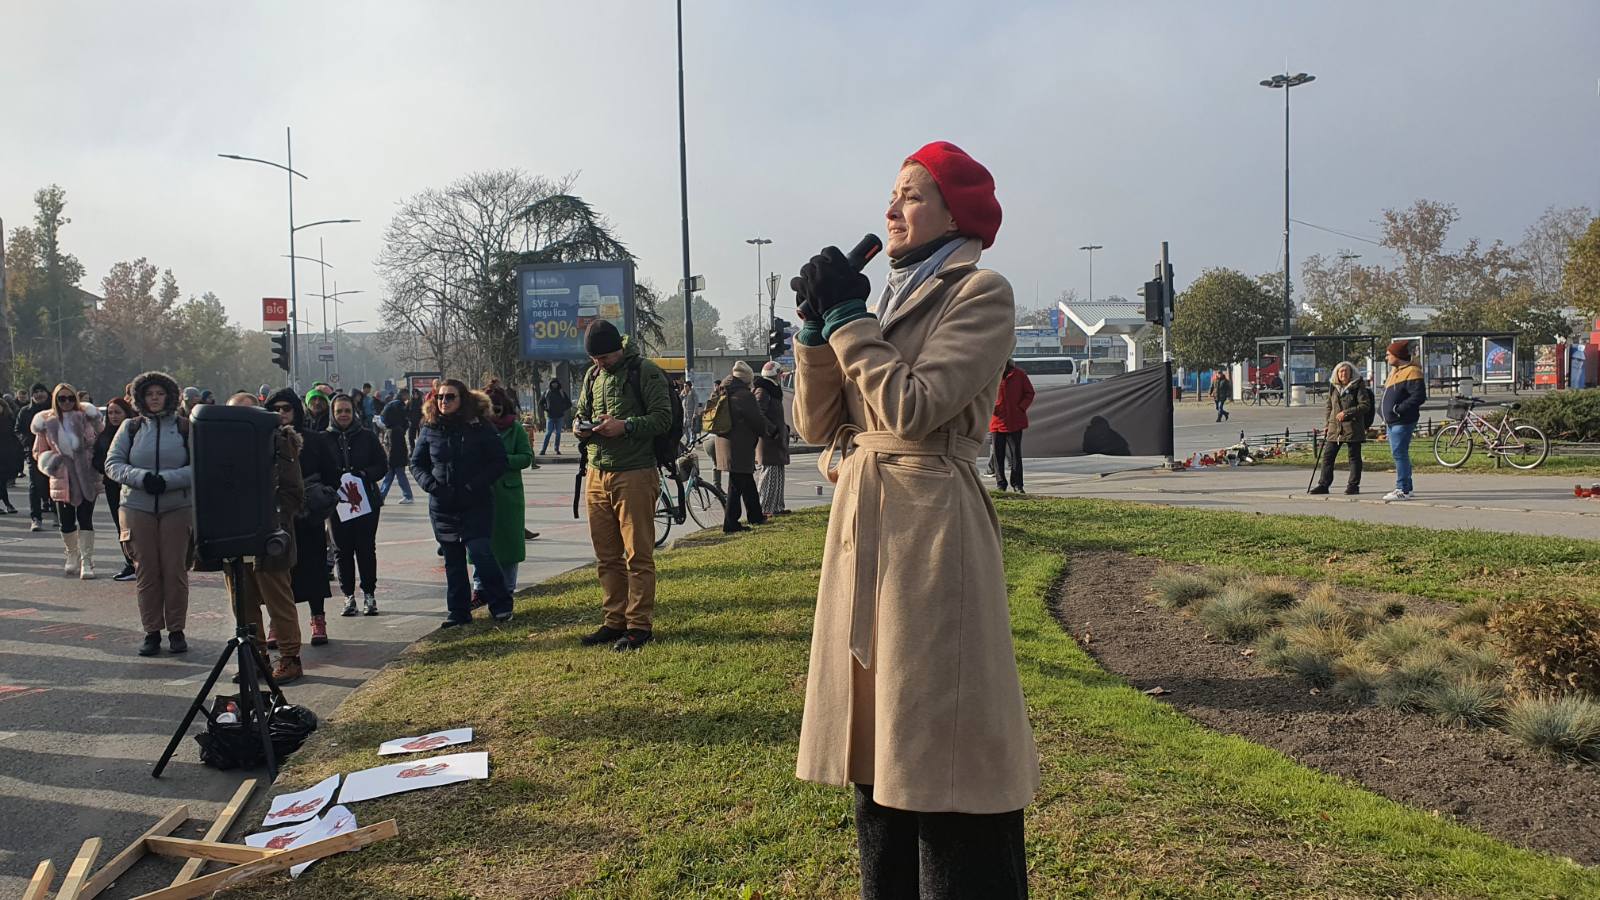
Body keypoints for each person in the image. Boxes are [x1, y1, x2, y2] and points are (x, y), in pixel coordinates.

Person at [790, 141, 1037, 896]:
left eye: (912, 195)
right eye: (891, 195)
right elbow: (813, 422)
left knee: (942, 740)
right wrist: (813, 333)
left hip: (932, 534)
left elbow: (914, 407)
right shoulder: (885, 302)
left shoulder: (980, 292)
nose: (892, 209)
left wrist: (845, 318)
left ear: (954, 212)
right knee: (877, 744)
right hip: (866, 525)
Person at [573, 319, 673, 652]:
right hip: (597, 473)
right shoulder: (592, 376)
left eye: (605, 358)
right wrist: (581, 428)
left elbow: (663, 418)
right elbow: (580, 412)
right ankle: (614, 620)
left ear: (619, 348)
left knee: (638, 555)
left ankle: (639, 625)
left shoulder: (644, 371)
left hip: (635, 473)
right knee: (606, 556)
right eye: (594, 359)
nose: (599, 364)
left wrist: (626, 426)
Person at [410, 379, 514, 626]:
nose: (444, 402)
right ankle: (458, 612)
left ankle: (501, 604)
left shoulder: (480, 427)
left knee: (481, 552)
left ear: (462, 399)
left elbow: (498, 462)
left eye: (450, 397)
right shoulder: (430, 427)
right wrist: (432, 486)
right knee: (453, 560)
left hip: (475, 502)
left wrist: (473, 485)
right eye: (440, 397)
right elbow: (416, 463)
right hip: (442, 505)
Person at [106, 371, 195, 657]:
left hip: (177, 507)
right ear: (141, 398)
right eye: (149, 394)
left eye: (160, 394)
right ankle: (152, 631)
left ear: (169, 396)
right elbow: (112, 463)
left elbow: (200, 466)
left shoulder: (184, 427)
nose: (155, 399)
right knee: (146, 571)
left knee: (175, 570)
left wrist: (168, 480)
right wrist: (141, 477)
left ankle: (177, 630)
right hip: (136, 506)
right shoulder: (130, 428)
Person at [223, 392, 306, 683]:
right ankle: (255, 659)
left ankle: (289, 657)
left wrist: (273, 521)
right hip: (232, 534)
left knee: (278, 600)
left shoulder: (279, 441)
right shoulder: (217, 445)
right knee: (242, 602)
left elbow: (294, 491)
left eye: (248, 411)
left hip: (269, 534)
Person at [269, 388, 340, 646]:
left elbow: (332, 474)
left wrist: (319, 499)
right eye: (275, 409)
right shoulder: (264, 440)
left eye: (286, 408)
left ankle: (318, 619)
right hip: (276, 517)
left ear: (296, 411)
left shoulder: (314, 440)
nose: (281, 413)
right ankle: (277, 623)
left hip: (308, 516)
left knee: (313, 569)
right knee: (278, 573)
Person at [32, 383, 105, 578]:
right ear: (55, 400)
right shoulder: (47, 422)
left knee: (85, 519)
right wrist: (52, 462)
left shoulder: (88, 417)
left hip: (86, 474)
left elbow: (102, 439)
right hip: (62, 476)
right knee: (65, 522)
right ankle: (72, 554)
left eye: (70, 398)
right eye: (62, 398)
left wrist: (92, 457)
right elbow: (38, 451)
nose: (67, 402)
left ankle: (86, 561)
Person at [328, 393, 388, 617]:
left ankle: (369, 595)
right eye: (339, 411)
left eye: (347, 411)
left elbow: (383, 465)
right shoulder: (325, 438)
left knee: (365, 549)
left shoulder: (367, 437)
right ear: (333, 414)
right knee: (342, 551)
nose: (344, 415)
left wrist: (364, 474)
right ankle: (348, 597)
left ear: (354, 413)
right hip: (337, 505)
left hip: (366, 503)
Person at [715, 361, 776, 532]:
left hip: (724, 442)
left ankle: (754, 516)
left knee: (743, 481)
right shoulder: (744, 395)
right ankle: (731, 523)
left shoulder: (722, 390)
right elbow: (757, 420)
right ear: (746, 379)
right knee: (739, 483)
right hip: (739, 445)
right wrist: (767, 432)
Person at [485, 385, 533, 593]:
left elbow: (527, 457)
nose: (493, 414)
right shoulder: (476, 428)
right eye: (488, 409)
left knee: (510, 546)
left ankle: (508, 588)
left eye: (497, 409)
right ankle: (482, 588)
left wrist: (504, 461)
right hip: (482, 493)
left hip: (508, 495)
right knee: (482, 545)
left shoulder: (515, 429)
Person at [1310, 361, 1373, 496]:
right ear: (1336, 374)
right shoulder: (1334, 386)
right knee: (1328, 456)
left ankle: (1353, 486)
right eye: (1340, 371)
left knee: (1354, 457)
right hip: (1335, 427)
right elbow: (1329, 407)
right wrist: (1327, 424)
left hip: (1353, 427)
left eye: (1346, 371)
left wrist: (1347, 413)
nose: (1343, 374)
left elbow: (1365, 405)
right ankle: (1323, 484)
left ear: (1351, 373)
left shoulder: (1357, 385)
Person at [1380, 339, 1426, 502]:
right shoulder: (1395, 372)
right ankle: (1408, 487)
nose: (1386, 358)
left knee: (1399, 453)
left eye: (1388, 355)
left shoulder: (1412, 371)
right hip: (1392, 422)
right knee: (1398, 453)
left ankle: (1402, 489)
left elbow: (1419, 396)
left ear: (1397, 355)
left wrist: (1397, 409)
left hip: (1403, 420)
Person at [97, 398, 137, 580]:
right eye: (110, 413)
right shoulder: (104, 435)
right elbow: (97, 460)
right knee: (120, 526)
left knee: (137, 526)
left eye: (117, 412)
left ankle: (142, 563)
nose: (113, 416)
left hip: (135, 486)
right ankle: (129, 563)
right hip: (112, 486)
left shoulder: (135, 431)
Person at [989, 359, 1034, 493]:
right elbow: (983, 394)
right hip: (996, 422)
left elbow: (1029, 393)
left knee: (1015, 455)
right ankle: (1000, 483)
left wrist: (1020, 408)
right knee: (998, 455)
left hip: (1015, 421)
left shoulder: (1019, 374)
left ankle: (1017, 484)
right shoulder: (991, 375)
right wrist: (990, 408)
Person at [753, 362, 791, 517]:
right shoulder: (763, 391)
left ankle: (777, 507)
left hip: (776, 439)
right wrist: (773, 430)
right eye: (779, 373)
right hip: (769, 440)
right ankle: (765, 507)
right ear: (775, 374)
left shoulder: (772, 389)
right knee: (769, 474)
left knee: (778, 473)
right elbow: (759, 414)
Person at [16, 383, 52, 531]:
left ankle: (58, 513)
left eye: (41, 391)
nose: (39, 394)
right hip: (34, 453)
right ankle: (36, 518)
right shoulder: (25, 411)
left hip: (54, 453)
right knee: (35, 485)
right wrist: (27, 442)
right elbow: (18, 430)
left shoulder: (54, 409)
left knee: (55, 484)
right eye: (35, 392)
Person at [378, 389, 414, 503]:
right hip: (397, 454)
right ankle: (406, 495)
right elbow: (406, 421)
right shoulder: (399, 406)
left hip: (394, 454)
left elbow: (382, 418)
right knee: (397, 473)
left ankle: (382, 497)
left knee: (392, 475)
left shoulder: (391, 405)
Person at [539, 379, 571, 455]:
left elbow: (569, 403)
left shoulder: (561, 392)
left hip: (559, 416)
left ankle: (557, 449)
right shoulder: (547, 392)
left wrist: (563, 409)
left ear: (558, 384)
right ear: (551, 384)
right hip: (550, 416)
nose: (554, 385)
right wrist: (546, 409)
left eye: (556, 383)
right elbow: (540, 403)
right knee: (548, 433)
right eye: (553, 383)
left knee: (558, 433)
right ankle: (543, 450)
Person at [680, 378, 701, 443]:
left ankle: (692, 440)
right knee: (685, 428)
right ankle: (688, 439)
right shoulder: (684, 394)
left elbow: (696, 403)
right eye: (684, 386)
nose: (684, 387)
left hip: (691, 413)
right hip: (685, 414)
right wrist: (682, 394)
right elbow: (679, 399)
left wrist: (695, 413)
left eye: (686, 386)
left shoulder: (693, 393)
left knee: (692, 427)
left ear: (689, 386)